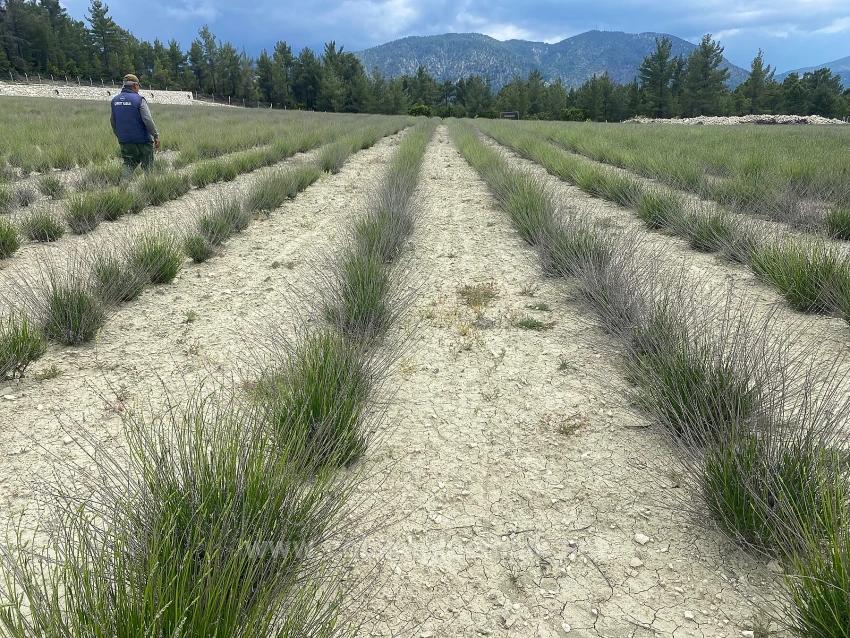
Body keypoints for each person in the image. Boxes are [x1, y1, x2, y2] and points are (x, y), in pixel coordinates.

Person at [110, 73, 160, 179]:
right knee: (148, 167)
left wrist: (120, 136)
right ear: (135, 85)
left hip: (125, 141)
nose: (139, 89)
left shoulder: (114, 101)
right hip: (143, 141)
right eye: (138, 86)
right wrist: (155, 135)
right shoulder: (139, 99)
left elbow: (113, 122)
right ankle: (150, 188)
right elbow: (148, 120)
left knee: (128, 165)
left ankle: (123, 189)